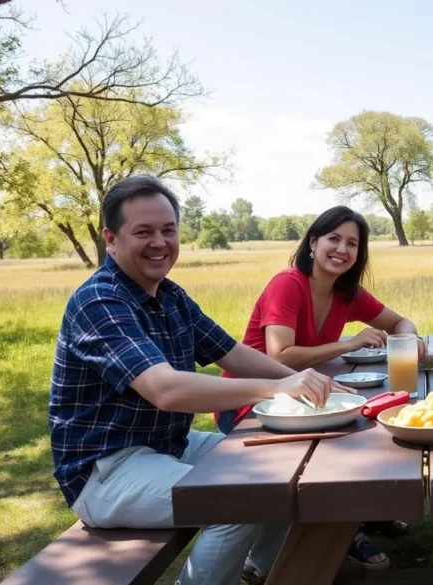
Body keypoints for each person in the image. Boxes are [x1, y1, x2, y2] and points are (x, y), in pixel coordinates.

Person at [49, 175, 348, 585]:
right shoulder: (99, 300)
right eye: (143, 232)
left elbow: (233, 353)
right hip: (106, 470)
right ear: (111, 239)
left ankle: (264, 572)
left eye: (168, 230)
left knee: (281, 467)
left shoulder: (170, 296)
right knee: (240, 500)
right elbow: (166, 390)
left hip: (169, 444)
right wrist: (280, 388)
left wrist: (302, 378)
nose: (160, 242)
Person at [216, 205, 424, 571]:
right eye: (333, 238)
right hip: (252, 403)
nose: (342, 249)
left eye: (352, 243)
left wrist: (411, 340)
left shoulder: (346, 292)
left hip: (304, 397)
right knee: (344, 439)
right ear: (313, 242)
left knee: (371, 418)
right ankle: (339, 530)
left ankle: (359, 515)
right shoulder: (288, 283)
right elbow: (281, 354)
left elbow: (400, 322)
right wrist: (348, 344)